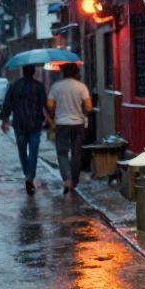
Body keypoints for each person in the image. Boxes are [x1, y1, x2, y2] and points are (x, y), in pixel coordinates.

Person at [0, 65, 50, 195]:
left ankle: (27, 174)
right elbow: (46, 105)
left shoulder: (14, 85)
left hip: (19, 124)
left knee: (22, 152)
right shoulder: (39, 86)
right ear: (33, 72)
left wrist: (4, 121)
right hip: (35, 124)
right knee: (33, 152)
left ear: (22, 71)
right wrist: (49, 120)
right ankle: (30, 177)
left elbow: (7, 105)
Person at [46, 63, 92, 193]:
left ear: (62, 72)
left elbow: (49, 105)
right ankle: (74, 181)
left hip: (61, 123)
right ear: (76, 72)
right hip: (78, 123)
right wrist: (82, 111)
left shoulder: (56, 86)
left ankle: (67, 179)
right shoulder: (81, 87)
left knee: (62, 152)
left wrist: (55, 112)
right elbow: (88, 107)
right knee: (77, 152)